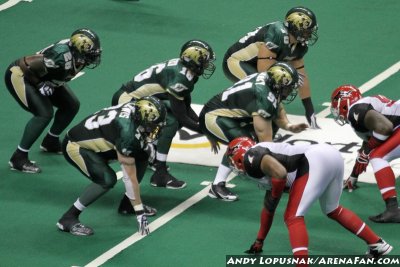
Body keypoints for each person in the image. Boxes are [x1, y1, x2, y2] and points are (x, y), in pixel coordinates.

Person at [226, 137, 393, 259]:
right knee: (332, 209)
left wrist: (276, 194)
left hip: (315, 159)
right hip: (330, 156)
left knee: (292, 217)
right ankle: (377, 244)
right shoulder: (259, 159)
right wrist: (259, 240)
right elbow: (268, 209)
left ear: (239, 156)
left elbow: (280, 173)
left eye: (233, 161)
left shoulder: (251, 158)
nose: (234, 166)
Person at [112, 39, 218, 195]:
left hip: (139, 97)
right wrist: (207, 131)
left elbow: (186, 106)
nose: (208, 64)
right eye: (205, 60)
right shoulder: (180, 77)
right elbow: (182, 116)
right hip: (127, 100)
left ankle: (151, 152)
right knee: (171, 122)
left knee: (172, 118)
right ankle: (159, 172)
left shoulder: (184, 70)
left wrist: (203, 124)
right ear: (195, 60)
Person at [56, 96, 167, 236]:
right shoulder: (127, 132)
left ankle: (127, 205)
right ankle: (68, 217)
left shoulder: (136, 110)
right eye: (152, 125)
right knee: (107, 179)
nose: (155, 129)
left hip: (104, 141)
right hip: (76, 146)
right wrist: (140, 213)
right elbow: (129, 177)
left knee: (141, 154)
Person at [199, 62, 308, 201]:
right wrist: (276, 172)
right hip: (214, 116)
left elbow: (277, 107)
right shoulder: (263, 95)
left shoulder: (269, 83)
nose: (291, 91)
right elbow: (266, 144)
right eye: (288, 88)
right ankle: (217, 186)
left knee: (269, 127)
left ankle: (262, 171)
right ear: (278, 85)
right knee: (244, 144)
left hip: (232, 114)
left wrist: (289, 126)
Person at [5, 28, 102, 173]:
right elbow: (24, 64)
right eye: (90, 54)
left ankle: (50, 141)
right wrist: (39, 84)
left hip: (47, 79)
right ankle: (18, 158)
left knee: (71, 105)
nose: (93, 57)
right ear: (78, 50)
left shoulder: (76, 55)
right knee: (44, 113)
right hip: (22, 76)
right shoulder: (60, 55)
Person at [223, 6, 320, 129]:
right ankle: (243, 120)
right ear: (296, 27)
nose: (310, 34)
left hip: (255, 62)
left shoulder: (299, 46)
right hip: (236, 62)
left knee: (281, 83)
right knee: (265, 87)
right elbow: (265, 74)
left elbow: (302, 76)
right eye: (307, 31)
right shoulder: (277, 33)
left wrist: (309, 109)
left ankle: (253, 118)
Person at [330, 85, 400, 223]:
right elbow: (370, 141)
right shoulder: (363, 108)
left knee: (378, 157)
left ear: (343, 104)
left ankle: (392, 209)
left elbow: (385, 128)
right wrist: (353, 176)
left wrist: (367, 152)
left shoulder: (356, 110)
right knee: (375, 153)